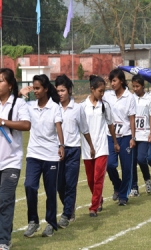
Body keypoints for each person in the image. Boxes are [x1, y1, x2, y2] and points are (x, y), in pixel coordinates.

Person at [22, 74, 65, 238]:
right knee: (29, 186)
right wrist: (20, 94)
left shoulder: (55, 107)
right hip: (33, 153)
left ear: (46, 89)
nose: (35, 91)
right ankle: (33, 222)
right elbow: (12, 105)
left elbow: (58, 127)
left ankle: (51, 224)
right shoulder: (29, 106)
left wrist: (61, 145)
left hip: (50, 155)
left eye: (38, 88)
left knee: (49, 191)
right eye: (34, 88)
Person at [55, 74, 95, 226]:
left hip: (73, 150)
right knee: (59, 185)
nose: (60, 94)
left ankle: (66, 215)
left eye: (63, 90)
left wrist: (91, 146)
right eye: (58, 90)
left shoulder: (78, 109)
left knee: (71, 184)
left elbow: (84, 130)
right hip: (57, 152)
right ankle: (69, 208)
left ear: (69, 90)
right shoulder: (54, 107)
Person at [0, 68, 31, 250]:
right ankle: (5, 233)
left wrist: (3, 122)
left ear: (10, 85)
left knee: (4, 199)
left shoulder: (18, 104)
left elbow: (26, 125)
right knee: (5, 201)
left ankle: (3, 241)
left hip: (11, 161)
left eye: (1, 80)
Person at [81, 75, 119, 217]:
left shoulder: (105, 105)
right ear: (92, 89)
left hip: (102, 147)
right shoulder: (82, 107)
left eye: (104, 91)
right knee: (90, 180)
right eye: (100, 91)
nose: (102, 94)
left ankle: (94, 207)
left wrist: (115, 142)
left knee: (98, 178)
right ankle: (99, 198)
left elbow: (110, 125)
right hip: (87, 148)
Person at [103, 68, 136, 206]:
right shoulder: (107, 96)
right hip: (110, 136)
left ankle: (123, 196)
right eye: (111, 81)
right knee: (109, 164)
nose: (112, 83)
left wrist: (133, 138)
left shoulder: (130, 97)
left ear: (121, 81)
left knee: (127, 167)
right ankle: (117, 185)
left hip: (126, 136)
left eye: (115, 80)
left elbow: (132, 119)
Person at [130, 74, 151, 196]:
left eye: (137, 86)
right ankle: (134, 187)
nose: (135, 89)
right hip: (132, 135)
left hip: (144, 134)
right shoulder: (130, 99)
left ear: (143, 86)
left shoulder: (149, 99)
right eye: (133, 86)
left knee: (141, 159)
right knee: (132, 162)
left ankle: (147, 179)